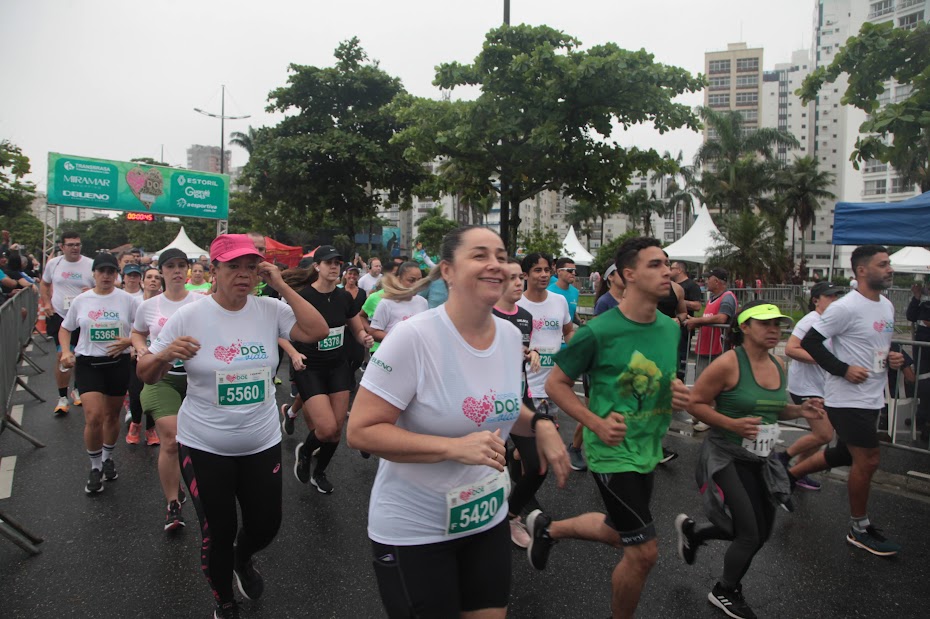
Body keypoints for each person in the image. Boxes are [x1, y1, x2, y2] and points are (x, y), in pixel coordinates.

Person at [346, 225, 570, 618]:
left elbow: (499, 405)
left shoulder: (505, 334)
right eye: (480, 255)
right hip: (415, 529)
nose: (495, 265)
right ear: (447, 270)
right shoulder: (413, 337)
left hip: (485, 518)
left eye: (501, 256)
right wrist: (452, 447)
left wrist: (540, 425)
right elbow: (361, 431)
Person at [137, 234, 328, 619]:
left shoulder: (269, 308)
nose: (243, 275)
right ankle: (224, 600)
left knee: (266, 525)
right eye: (233, 267)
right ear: (214, 271)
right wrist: (166, 354)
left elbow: (317, 331)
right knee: (219, 530)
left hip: (261, 442)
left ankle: (243, 560)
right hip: (206, 445)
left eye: (250, 268)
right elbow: (146, 373)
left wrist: (280, 286)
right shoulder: (189, 316)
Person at [528, 237, 690, 619]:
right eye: (654, 264)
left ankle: (549, 530)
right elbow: (556, 385)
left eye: (667, 263)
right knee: (643, 551)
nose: (667, 270)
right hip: (612, 452)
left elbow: (661, 380)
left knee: (623, 532)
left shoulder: (670, 328)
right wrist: (595, 423)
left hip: (647, 447)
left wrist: (676, 392)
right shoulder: (598, 331)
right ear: (628, 274)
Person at [675, 301, 825, 619]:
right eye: (765, 324)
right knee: (750, 533)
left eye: (777, 325)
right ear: (744, 327)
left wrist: (799, 411)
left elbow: (774, 408)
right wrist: (731, 424)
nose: (774, 330)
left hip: (762, 458)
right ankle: (724, 590)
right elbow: (695, 404)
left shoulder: (778, 364)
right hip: (725, 455)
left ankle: (695, 532)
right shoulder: (728, 364)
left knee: (761, 531)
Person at [794, 245, 903, 556]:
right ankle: (859, 527)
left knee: (843, 453)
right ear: (862, 271)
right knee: (868, 460)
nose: (890, 269)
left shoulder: (886, 306)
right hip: (846, 398)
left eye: (889, 263)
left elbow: (878, 344)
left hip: (872, 396)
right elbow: (810, 341)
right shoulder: (845, 307)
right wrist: (842, 369)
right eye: (883, 264)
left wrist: (893, 358)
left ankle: (788, 474)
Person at [282, 246, 373, 494]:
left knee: (335, 433)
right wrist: (293, 353)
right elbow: (280, 330)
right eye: (329, 262)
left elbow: (356, 327)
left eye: (338, 263)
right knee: (326, 429)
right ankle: (306, 451)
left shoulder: (344, 297)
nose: (334, 267)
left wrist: (364, 337)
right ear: (317, 266)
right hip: (310, 368)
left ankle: (319, 473)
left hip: (338, 367)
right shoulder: (303, 296)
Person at [131, 248, 205, 531]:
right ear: (160, 271)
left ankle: (204, 488)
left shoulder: (202, 302)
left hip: (198, 378)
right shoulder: (149, 306)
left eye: (181, 265)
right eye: (170, 266)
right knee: (171, 439)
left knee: (199, 441)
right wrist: (141, 350)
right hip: (161, 378)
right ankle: (173, 503)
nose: (176, 270)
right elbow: (137, 332)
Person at [58, 253, 139, 494]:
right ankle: (94, 467)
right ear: (94, 274)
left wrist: (129, 342)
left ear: (117, 275)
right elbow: (65, 328)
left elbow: (141, 330)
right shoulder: (82, 300)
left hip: (117, 363)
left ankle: (107, 458)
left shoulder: (127, 300)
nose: (106, 276)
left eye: (111, 272)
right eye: (102, 271)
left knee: (112, 416)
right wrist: (65, 351)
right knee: (93, 416)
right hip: (89, 364)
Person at [493, 258, 544, 547]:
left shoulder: (525, 315)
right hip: (489, 401)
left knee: (539, 463)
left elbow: (525, 348)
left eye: (519, 277)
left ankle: (511, 515)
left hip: (520, 398)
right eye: (511, 278)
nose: (517, 283)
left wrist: (532, 352)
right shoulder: (486, 314)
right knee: (488, 466)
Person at [776, 282, 844, 490]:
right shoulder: (810, 321)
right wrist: (823, 359)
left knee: (821, 435)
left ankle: (799, 471)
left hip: (822, 386)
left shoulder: (830, 321)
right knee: (824, 434)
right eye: (829, 296)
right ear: (816, 300)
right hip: (806, 387)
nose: (834, 300)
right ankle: (783, 459)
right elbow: (791, 349)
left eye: (837, 296)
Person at [40, 232, 95, 416]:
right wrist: (46, 303)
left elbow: (107, 286)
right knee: (62, 355)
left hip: (83, 317)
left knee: (80, 355)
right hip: (61, 315)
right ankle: (62, 397)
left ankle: (77, 389)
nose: (75, 248)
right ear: (62, 247)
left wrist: (93, 290)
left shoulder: (90, 264)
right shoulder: (53, 264)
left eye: (78, 244)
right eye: (70, 245)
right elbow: (44, 284)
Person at [687, 267, 738, 431]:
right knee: (701, 383)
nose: (705, 281)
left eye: (708, 278)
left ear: (717, 281)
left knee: (712, 386)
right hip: (705, 348)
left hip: (717, 349)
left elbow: (723, 318)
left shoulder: (727, 298)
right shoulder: (712, 299)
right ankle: (701, 414)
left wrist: (698, 321)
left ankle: (709, 418)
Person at [125, 264, 160, 447]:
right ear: (142, 281)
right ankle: (136, 423)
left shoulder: (165, 303)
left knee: (153, 394)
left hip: (157, 358)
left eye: (157, 277)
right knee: (137, 394)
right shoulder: (134, 302)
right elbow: (130, 329)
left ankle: (151, 428)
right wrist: (132, 345)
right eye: (149, 277)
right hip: (135, 356)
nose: (153, 280)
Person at [369, 262, 429, 344]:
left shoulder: (423, 302)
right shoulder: (386, 303)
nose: (416, 284)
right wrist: (398, 341)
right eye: (411, 280)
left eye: (419, 280)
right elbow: (374, 332)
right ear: (399, 279)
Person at [547, 257, 580, 322]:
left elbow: (572, 312)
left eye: (574, 270)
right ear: (559, 271)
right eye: (570, 270)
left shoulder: (575, 292)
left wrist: (580, 322)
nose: (573, 273)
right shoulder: (549, 292)